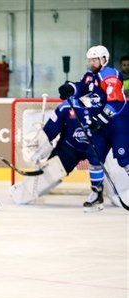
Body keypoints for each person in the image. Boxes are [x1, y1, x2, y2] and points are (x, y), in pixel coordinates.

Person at [58, 45, 128, 211]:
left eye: (95, 59)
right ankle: (97, 195)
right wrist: (70, 88)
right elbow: (81, 87)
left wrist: (101, 118)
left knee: (125, 159)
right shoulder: (90, 75)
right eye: (90, 60)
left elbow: (116, 101)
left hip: (118, 124)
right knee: (95, 159)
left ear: (104, 59)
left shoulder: (110, 75)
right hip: (99, 126)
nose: (92, 62)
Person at [10, 98, 91, 205]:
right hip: (69, 149)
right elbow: (50, 130)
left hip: (98, 149)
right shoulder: (66, 107)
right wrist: (38, 145)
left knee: (115, 164)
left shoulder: (108, 106)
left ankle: (118, 191)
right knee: (51, 172)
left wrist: (94, 156)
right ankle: (25, 192)